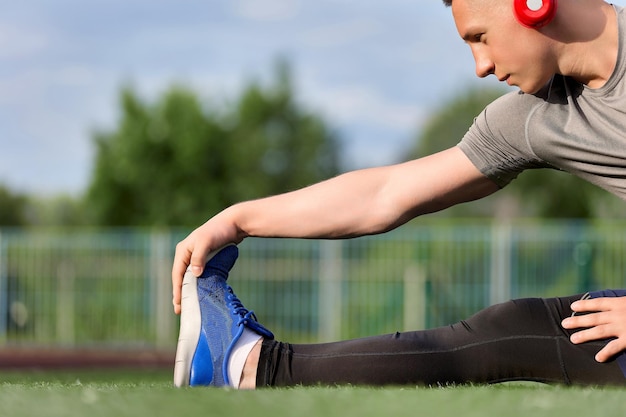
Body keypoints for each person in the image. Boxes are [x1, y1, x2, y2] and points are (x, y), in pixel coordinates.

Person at [172, 0, 626, 388]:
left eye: (481, 36)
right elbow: (385, 194)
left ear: (533, 3)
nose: (481, 65)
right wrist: (237, 220)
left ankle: (251, 367)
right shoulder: (532, 119)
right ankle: (249, 366)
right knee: (514, 330)